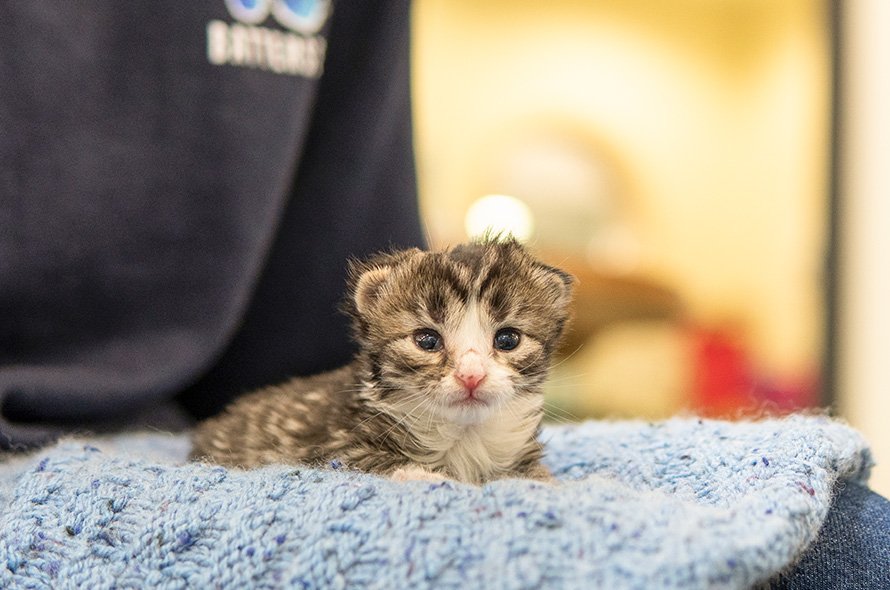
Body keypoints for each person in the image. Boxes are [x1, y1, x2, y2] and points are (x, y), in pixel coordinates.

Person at [1, 3, 887, 587]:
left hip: (214, 404)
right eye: (434, 341)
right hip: (69, 442)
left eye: (505, 341)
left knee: (856, 540)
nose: (470, 367)